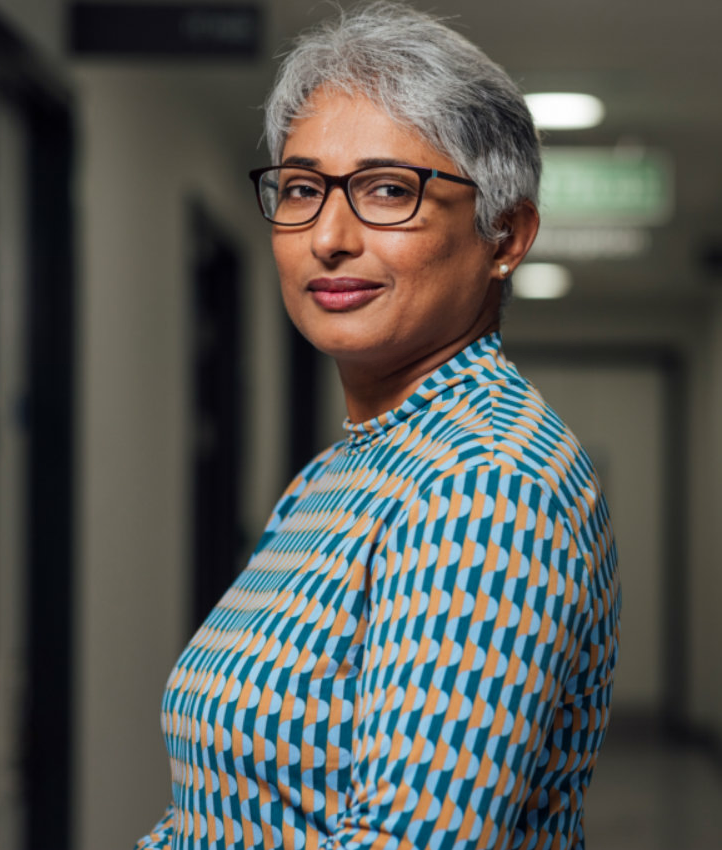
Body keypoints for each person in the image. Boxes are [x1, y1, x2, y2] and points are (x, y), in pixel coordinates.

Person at [137, 4, 618, 848]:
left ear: (505, 234)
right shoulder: (347, 471)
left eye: (388, 191)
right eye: (301, 189)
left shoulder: (486, 484)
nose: (328, 236)